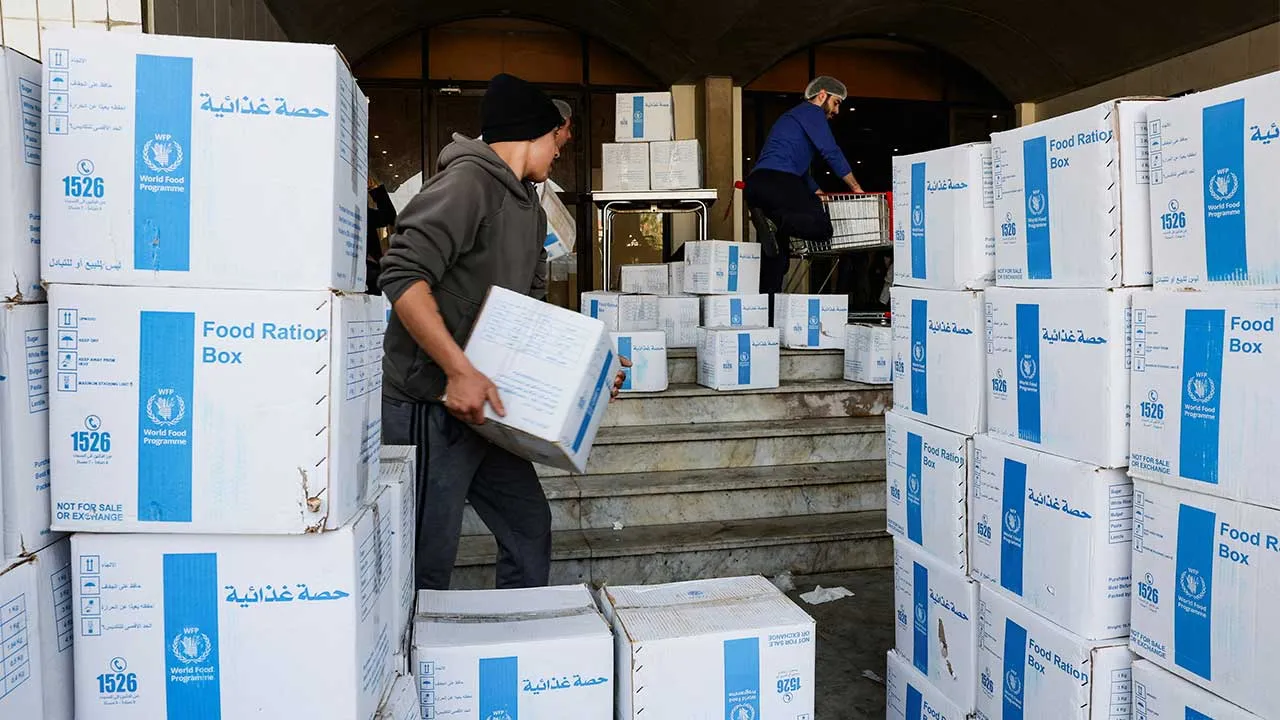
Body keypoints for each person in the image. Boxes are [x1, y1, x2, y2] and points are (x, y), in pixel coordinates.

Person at [379, 73, 627, 591]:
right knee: (426, 558)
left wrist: (589, 367)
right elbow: (401, 275)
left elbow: (529, 312)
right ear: (531, 133)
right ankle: (415, 667)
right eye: (555, 137)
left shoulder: (530, 209)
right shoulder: (468, 183)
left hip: (487, 406)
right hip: (433, 401)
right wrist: (458, 369)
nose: (560, 149)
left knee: (527, 525)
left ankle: (516, 644)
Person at [745, 76, 863, 302]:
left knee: (777, 261)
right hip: (779, 181)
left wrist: (816, 190)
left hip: (758, 184)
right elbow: (831, 151)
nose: (837, 111)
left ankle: (766, 313)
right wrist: (856, 188)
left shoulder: (792, 118)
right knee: (822, 228)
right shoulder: (812, 112)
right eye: (836, 102)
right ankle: (776, 221)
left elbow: (799, 169)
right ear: (822, 95)